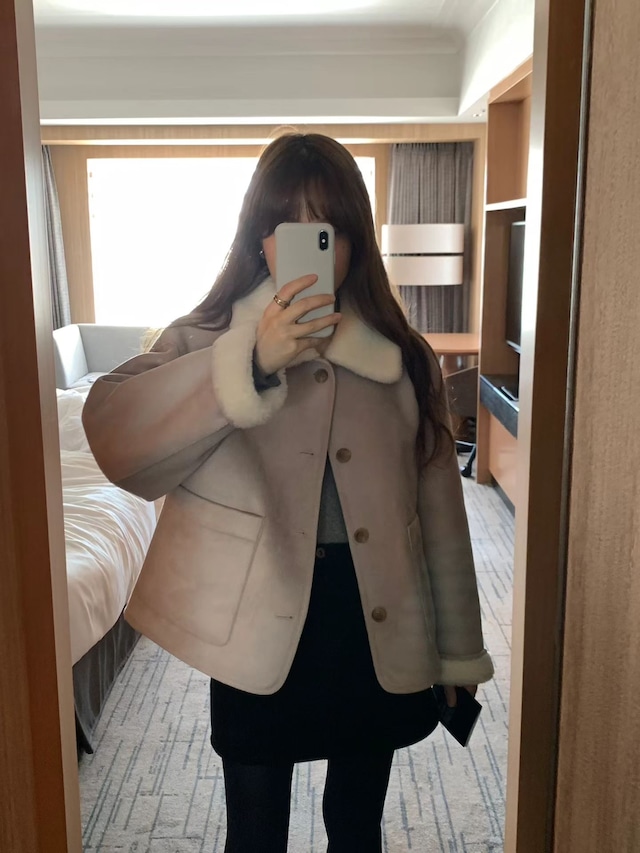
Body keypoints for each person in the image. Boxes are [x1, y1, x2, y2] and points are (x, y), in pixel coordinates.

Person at [82, 132, 494, 853]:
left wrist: (459, 650)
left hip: (374, 619)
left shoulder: (403, 356)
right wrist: (249, 361)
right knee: (254, 830)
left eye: (327, 227)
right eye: (287, 225)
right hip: (259, 625)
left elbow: (440, 512)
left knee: (357, 826)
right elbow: (115, 436)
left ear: (355, 240)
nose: (309, 245)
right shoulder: (205, 339)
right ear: (258, 239)